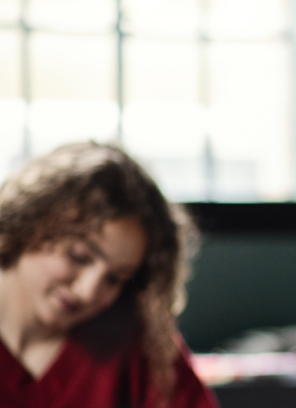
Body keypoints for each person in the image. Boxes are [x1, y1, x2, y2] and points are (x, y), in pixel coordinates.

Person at [0, 142, 218, 408]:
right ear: (28, 222)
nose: (87, 292)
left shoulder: (138, 340)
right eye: (78, 256)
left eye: (114, 279)